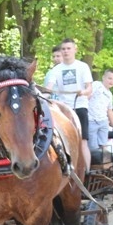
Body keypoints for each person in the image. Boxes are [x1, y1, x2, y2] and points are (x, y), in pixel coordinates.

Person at [46, 38, 93, 171]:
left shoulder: (82, 66)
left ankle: (86, 173)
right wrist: (42, 96)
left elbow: (89, 89)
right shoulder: (56, 69)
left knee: (82, 141)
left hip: (79, 106)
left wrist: (83, 92)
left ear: (74, 50)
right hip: (63, 109)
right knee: (62, 139)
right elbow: (49, 88)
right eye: (64, 49)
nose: (66, 51)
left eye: (68, 48)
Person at [87, 69, 113, 152]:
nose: (111, 81)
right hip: (91, 119)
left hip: (103, 121)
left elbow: (109, 111)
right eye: (109, 78)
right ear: (103, 77)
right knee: (93, 146)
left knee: (103, 145)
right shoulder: (97, 85)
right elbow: (87, 97)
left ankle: (104, 162)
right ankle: (93, 162)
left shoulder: (109, 94)